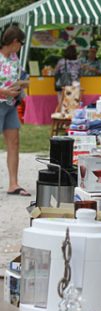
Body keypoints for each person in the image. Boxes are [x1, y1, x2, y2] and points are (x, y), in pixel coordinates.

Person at [0, 26, 31, 196]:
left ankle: (13, 184)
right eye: (20, 43)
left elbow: (17, 76)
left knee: (14, 144)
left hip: (11, 105)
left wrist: (22, 84)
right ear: (14, 41)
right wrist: (4, 92)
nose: (20, 46)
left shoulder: (14, 58)